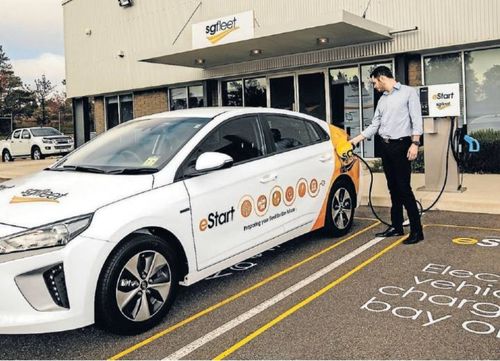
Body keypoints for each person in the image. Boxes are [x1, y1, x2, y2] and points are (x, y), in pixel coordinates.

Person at [349, 66, 424, 245]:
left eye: (374, 82)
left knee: (404, 188)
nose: (374, 86)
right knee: (393, 188)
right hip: (386, 146)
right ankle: (397, 227)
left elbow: (416, 119)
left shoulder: (408, 92)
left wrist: (415, 143)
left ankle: (417, 231)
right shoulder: (382, 99)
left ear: (382, 78)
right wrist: (355, 140)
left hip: (402, 145)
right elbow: (375, 125)